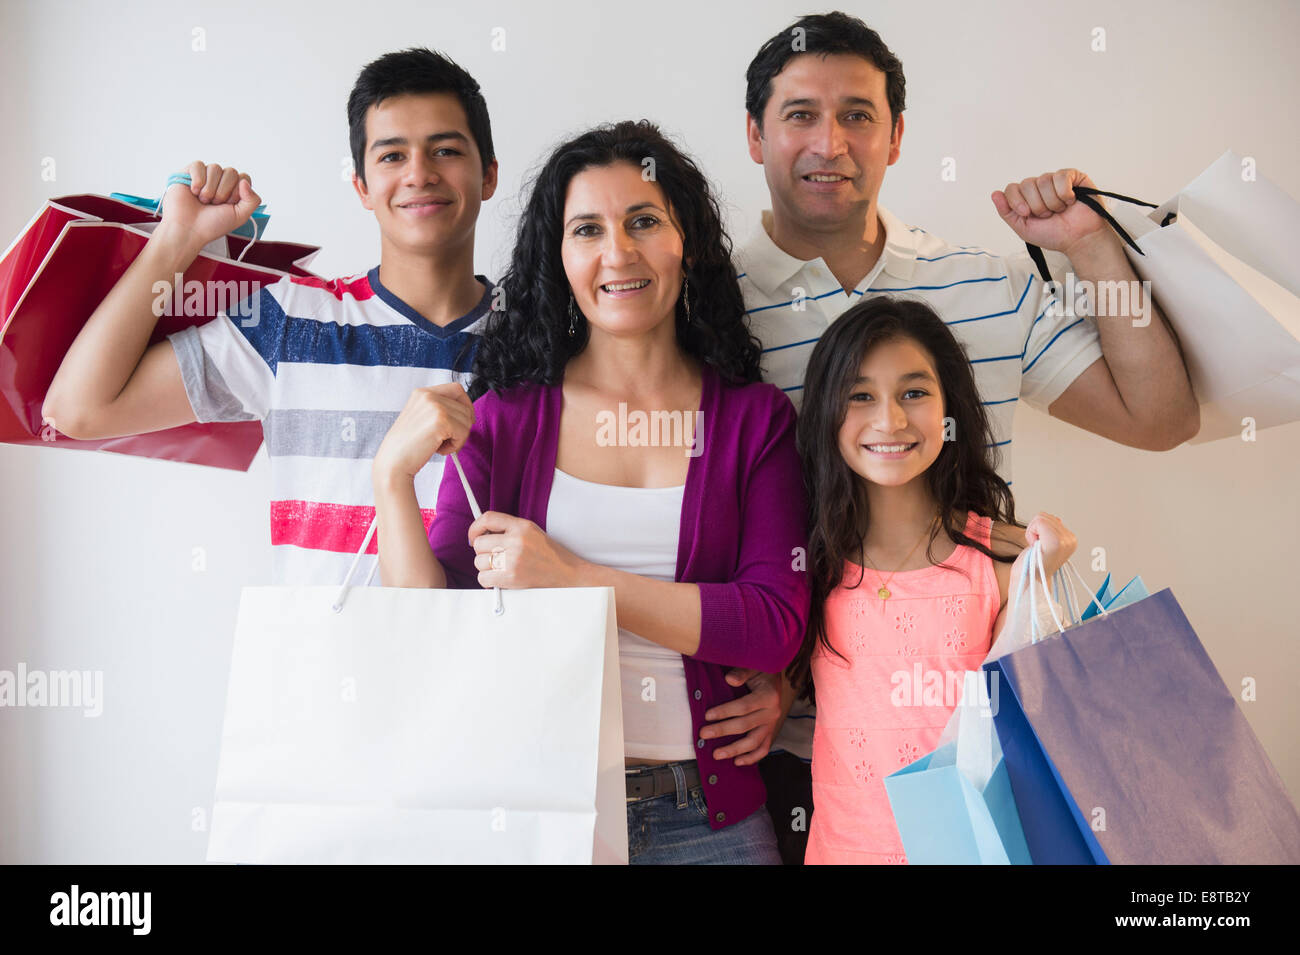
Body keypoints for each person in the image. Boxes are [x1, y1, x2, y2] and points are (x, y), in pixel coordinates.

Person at [737, 11, 1199, 863]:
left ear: (899, 136)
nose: (829, 142)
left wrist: (1090, 246)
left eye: (859, 114)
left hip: (991, 752)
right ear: (756, 134)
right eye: (800, 113)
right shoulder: (708, 309)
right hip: (795, 760)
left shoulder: (984, 284)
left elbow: (1162, 417)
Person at [369, 120, 810, 864]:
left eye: (644, 221)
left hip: (710, 820)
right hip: (538, 810)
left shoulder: (753, 420)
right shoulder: (504, 418)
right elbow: (430, 625)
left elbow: (772, 622)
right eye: (587, 229)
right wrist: (389, 478)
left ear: (688, 243)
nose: (618, 253)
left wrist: (574, 579)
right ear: (559, 257)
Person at [41, 48, 499, 585]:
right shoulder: (290, 321)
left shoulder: (540, 341)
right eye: (392, 156)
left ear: (488, 175)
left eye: (445, 150)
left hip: (479, 663)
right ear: (361, 188)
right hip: (314, 664)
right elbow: (78, 410)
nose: (419, 174)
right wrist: (177, 240)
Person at [790, 294, 1076, 863]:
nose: (890, 420)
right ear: (826, 411)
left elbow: (1049, 727)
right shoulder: (808, 561)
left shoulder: (1000, 561)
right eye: (860, 395)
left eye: (914, 393)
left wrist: (1038, 587)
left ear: (950, 409)